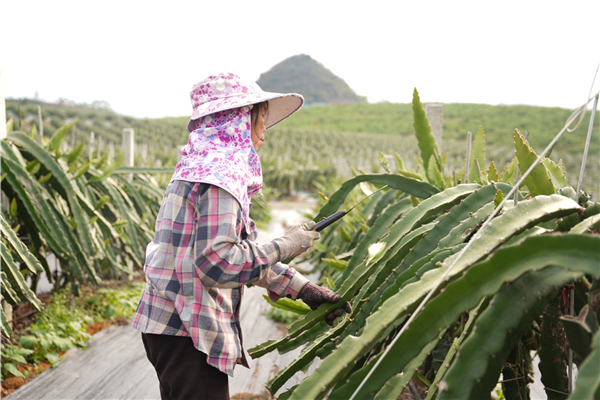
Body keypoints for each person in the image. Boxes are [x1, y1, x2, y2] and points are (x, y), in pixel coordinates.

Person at [131, 72, 351, 400]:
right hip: (187, 327)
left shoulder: (197, 168)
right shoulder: (220, 177)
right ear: (239, 120)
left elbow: (234, 253)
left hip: (169, 323)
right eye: (261, 119)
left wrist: (302, 288)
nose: (264, 133)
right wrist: (287, 245)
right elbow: (218, 263)